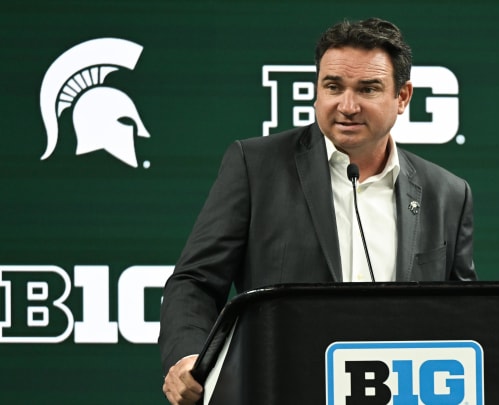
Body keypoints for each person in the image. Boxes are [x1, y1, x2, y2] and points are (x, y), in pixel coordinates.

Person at [159, 17, 476, 405]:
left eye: (368, 89)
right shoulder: (255, 166)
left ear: (403, 97)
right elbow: (194, 281)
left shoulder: (447, 193)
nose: (347, 105)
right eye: (333, 87)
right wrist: (190, 357)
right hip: (283, 389)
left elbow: (466, 315)